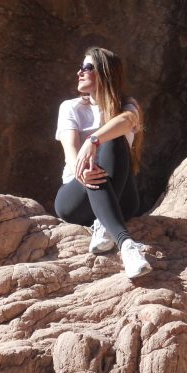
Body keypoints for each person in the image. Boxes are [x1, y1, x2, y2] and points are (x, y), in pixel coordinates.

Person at [53, 46, 151, 279]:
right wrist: (81, 170)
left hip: (122, 199)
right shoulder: (70, 107)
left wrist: (94, 140)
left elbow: (128, 121)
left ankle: (105, 225)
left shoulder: (127, 106)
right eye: (80, 67)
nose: (79, 72)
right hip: (76, 198)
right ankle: (126, 244)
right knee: (94, 165)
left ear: (105, 72)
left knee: (115, 140)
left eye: (87, 67)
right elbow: (70, 151)